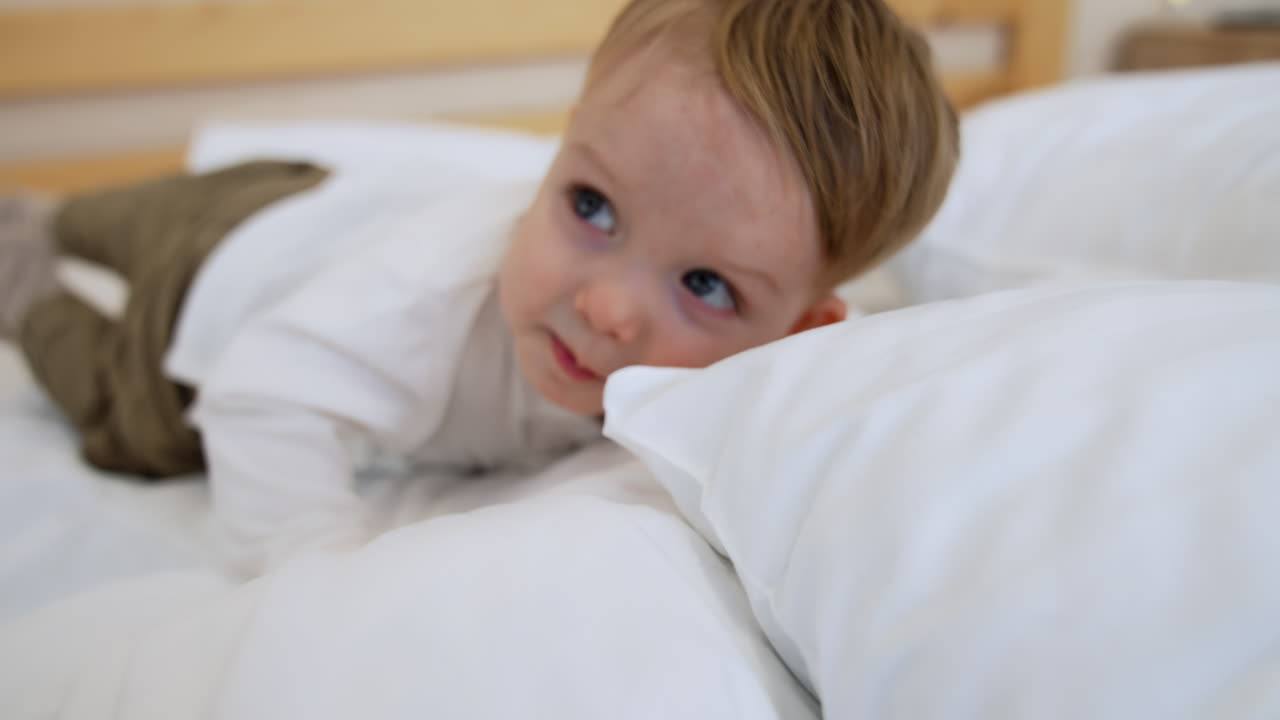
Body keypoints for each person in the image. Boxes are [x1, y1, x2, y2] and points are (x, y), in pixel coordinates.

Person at [0, 0, 958, 575]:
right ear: (566, 141)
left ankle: (43, 244)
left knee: (131, 214)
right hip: (225, 285)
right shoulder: (426, 292)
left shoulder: (770, 378)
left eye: (704, 283)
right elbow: (256, 396)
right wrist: (320, 576)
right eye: (592, 205)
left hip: (300, 209)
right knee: (131, 420)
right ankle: (28, 278)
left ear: (797, 332)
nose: (607, 308)